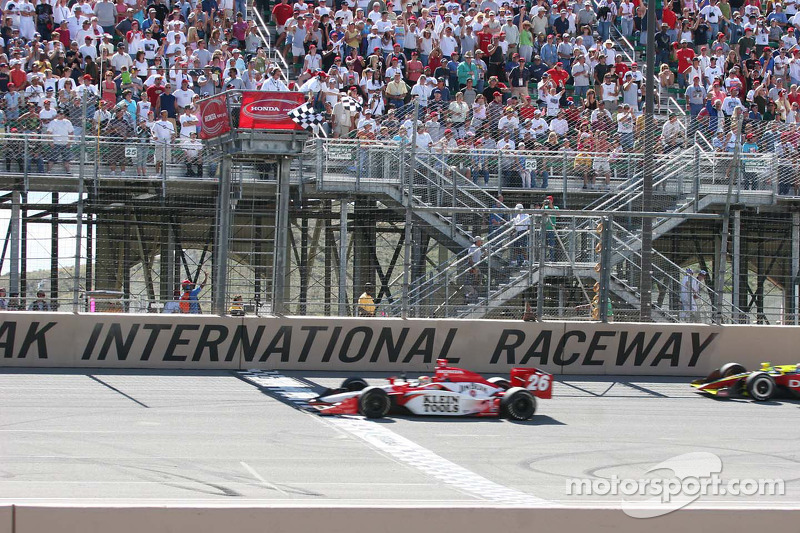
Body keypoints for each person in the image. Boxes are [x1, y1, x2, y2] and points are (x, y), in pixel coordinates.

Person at [543, 195, 558, 261]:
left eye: (549, 200)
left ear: (552, 201)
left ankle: (551, 258)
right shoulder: (545, 207)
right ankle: (543, 259)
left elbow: (558, 214)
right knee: (543, 244)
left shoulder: (555, 207)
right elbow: (539, 212)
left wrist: (550, 205)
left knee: (551, 245)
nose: (548, 201)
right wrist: (543, 204)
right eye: (547, 200)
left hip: (551, 229)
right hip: (544, 229)